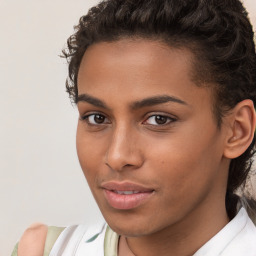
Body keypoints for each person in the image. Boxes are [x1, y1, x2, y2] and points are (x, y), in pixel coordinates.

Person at [13, 0, 256, 255]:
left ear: (237, 131)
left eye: (158, 119)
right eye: (97, 118)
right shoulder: (47, 250)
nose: (117, 157)